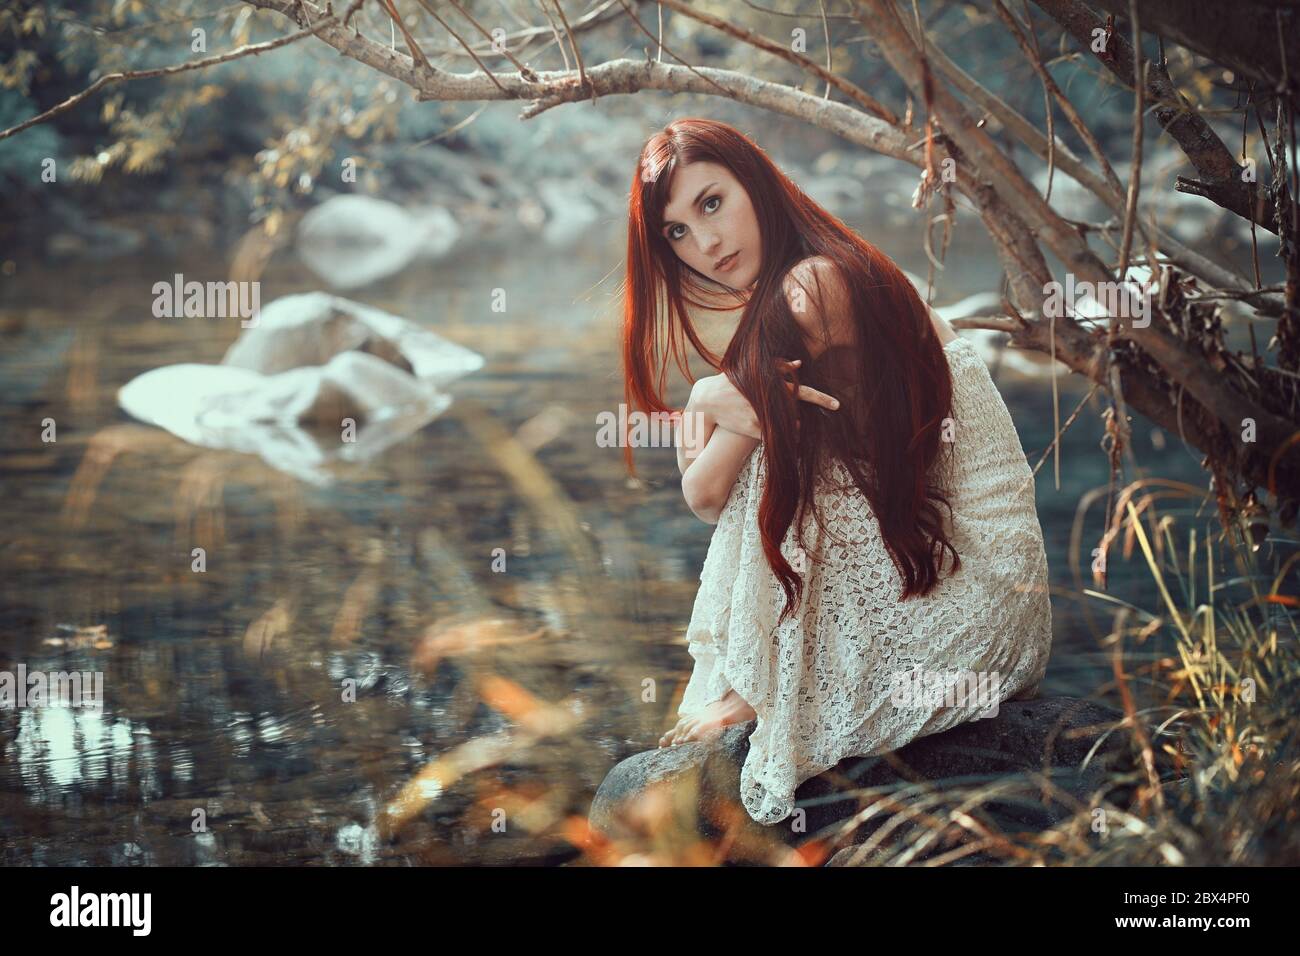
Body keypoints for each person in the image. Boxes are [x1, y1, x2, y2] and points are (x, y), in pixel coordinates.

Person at [620, 118, 1053, 826]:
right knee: (784, 446)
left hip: (984, 594)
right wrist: (708, 394)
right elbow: (705, 497)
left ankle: (771, 690)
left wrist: (709, 396)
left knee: (778, 457)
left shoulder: (814, 287)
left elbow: (705, 491)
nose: (706, 243)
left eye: (711, 203)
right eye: (676, 232)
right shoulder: (810, 273)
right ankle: (768, 684)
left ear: (754, 184)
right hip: (944, 571)